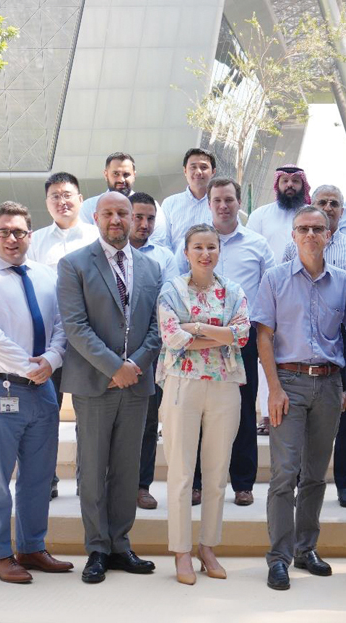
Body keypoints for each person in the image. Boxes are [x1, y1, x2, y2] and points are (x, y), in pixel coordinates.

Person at [0, 201, 74, 583]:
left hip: (41, 388)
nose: (12, 239)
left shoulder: (43, 275)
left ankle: (31, 546)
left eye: (19, 232)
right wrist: (31, 365)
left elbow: (60, 325)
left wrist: (52, 361)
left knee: (39, 477)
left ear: (30, 234)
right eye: (4, 231)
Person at [57, 192, 162, 584]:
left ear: (135, 218)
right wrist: (114, 366)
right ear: (96, 217)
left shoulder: (151, 268)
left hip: (136, 384)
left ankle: (120, 544)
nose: (117, 219)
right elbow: (75, 326)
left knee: (125, 469)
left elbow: (157, 326)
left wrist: (135, 365)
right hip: (95, 384)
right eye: (109, 213)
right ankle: (97, 547)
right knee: (93, 468)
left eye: (124, 213)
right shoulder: (74, 264)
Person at [252, 206, 346, 591]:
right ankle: (278, 557)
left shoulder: (344, 282)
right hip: (289, 383)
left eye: (318, 228)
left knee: (315, 473)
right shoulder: (275, 279)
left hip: (329, 385)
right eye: (303, 228)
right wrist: (273, 389)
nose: (311, 234)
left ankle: (305, 549)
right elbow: (264, 337)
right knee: (284, 472)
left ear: (329, 235)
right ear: (293, 235)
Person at [157, 223, 250, 584]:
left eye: (211, 247)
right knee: (181, 472)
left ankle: (207, 547)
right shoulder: (172, 290)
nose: (205, 253)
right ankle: (181, 551)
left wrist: (194, 326)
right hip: (183, 384)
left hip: (225, 385)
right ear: (186, 251)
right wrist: (215, 333)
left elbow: (240, 335)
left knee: (216, 472)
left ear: (219, 251)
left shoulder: (232, 290)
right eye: (198, 247)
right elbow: (171, 336)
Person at [181, 178, 275, 508]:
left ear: (238, 203)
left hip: (242, 342)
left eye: (229, 199)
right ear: (209, 204)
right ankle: (196, 483)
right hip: (201, 341)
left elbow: (269, 290)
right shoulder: (196, 241)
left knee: (243, 412)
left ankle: (243, 483)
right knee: (198, 411)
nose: (224, 205)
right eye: (217, 199)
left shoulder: (257, 244)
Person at [282, 186, 346, 508]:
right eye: (322, 202)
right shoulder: (293, 247)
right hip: (301, 334)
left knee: (345, 413)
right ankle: (300, 479)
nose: (328, 207)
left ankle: (345, 483)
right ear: (311, 206)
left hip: (341, 337)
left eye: (335, 204)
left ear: (342, 213)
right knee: (302, 420)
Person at [27, 171, 99, 499]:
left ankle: (89, 481)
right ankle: (47, 479)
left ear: (81, 200)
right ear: (47, 203)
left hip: (89, 340)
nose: (62, 201)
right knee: (46, 413)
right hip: (47, 342)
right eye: (55, 195)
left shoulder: (98, 239)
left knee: (89, 417)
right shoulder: (35, 242)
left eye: (68, 194)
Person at [128, 192, 180, 510]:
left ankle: (140, 485)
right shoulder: (104, 254)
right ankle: (99, 483)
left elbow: (167, 305)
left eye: (150, 218)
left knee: (148, 423)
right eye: (138, 216)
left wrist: (145, 351)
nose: (144, 224)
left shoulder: (165, 257)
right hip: (108, 354)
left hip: (152, 354)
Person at [80, 152, 169, 247]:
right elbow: (84, 241)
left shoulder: (150, 206)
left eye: (126, 174)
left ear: (134, 175)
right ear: (106, 175)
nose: (121, 180)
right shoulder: (89, 206)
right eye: (116, 174)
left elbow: (158, 243)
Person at [247, 165, 312, 259]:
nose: (290, 184)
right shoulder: (260, 215)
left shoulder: (314, 216)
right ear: (277, 185)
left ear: (303, 186)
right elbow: (250, 248)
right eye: (285, 181)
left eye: (295, 181)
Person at [161, 148, 217, 251]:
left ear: (213, 171)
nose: (198, 172)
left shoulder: (221, 205)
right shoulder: (170, 203)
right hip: (176, 266)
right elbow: (164, 242)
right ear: (185, 171)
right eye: (193, 167)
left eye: (204, 167)